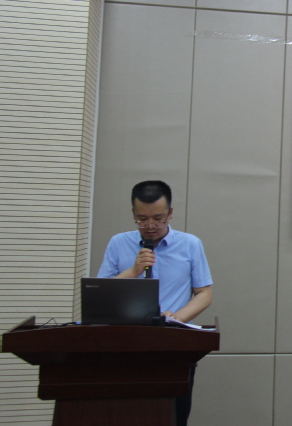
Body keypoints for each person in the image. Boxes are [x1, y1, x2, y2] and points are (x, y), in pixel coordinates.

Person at [97, 180, 213, 426]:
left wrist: (177, 318)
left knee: (173, 417)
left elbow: (204, 293)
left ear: (170, 213)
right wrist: (133, 272)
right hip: (125, 347)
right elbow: (100, 294)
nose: (150, 226)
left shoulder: (190, 244)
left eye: (158, 219)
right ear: (133, 214)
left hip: (173, 346)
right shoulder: (118, 243)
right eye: (142, 219)